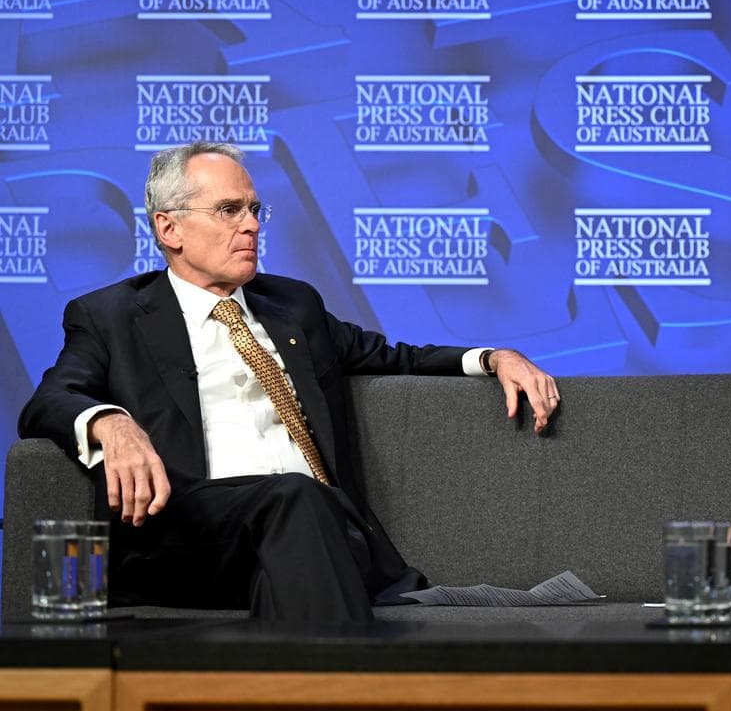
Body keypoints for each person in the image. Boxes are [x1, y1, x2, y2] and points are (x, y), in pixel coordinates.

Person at [18, 141, 561, 622]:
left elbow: (395, 357)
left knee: (303, 505)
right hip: (197, 538)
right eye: (229, 210)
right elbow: (51, 399)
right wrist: (110, 422)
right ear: (169, 228)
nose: (251, 224)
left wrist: (494, 357)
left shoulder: (293, 305)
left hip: (323, 532)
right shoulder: (110, 316)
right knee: (293, 496)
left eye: (255, 209)